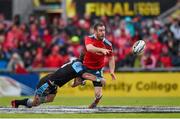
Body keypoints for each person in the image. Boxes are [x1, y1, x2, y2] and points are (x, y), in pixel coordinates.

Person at [11, 57, 105, 108]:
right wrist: (98, 79)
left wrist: (80, 82)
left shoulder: (78, 66)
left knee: (50, 99)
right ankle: (17, 102)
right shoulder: (77, 65)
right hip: (48, 82)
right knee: (35, 103)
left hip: (54, 85)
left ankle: (30, 103)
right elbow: (84, 75)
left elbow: (73, 84)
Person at [81, 22, 116, 108]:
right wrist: (102, 50)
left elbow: (111, 58)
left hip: (97, 69)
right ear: (95, 31)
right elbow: (89, 48)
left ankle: (96, 101)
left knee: (98, 94)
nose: (103, 32)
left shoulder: (108, 44)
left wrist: (112, 71)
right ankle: (82, 79)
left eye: (104, 30)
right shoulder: (89, 38)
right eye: (100, 30)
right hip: (85, 66)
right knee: (75, 83)